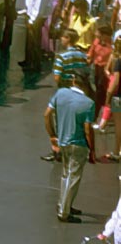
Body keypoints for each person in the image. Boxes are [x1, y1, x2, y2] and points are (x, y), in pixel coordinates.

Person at [45, 68, 95, 224]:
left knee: (66, 175)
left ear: (74, 81)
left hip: (63, 141)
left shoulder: (61, 94)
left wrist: (52, 135)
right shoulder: (88, 103)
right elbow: (87, 130)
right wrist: (92, 149)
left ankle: (64, 203)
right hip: (78, 144)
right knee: (73, 177)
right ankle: (64, 212)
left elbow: (47, 114)